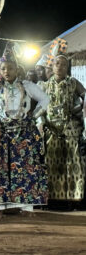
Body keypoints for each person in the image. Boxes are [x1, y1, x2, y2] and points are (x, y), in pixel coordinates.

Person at [0, 44, 49, 219]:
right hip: (1, 132)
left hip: (23, 132)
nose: (7, 71)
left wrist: (34, 115)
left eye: (10, 68)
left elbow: (45, 100)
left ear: (17, 69)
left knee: (25, 168)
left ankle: (26, 206)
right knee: (0, 169)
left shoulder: (27, 85)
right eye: (3, 68)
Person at [43, 39, 86, 209]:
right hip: (52, 130)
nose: (59, 67)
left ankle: (75, 199)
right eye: (56, 64)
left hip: (71, 128)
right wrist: (40, 122)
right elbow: (39, 109)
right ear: (52, 67)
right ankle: (55, 201)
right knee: (54, 165)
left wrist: (80, 109)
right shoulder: (45, 86)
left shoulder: (73, 83)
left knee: (73, 163)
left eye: (62, 64)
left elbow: (85, 95)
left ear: (67, 67)